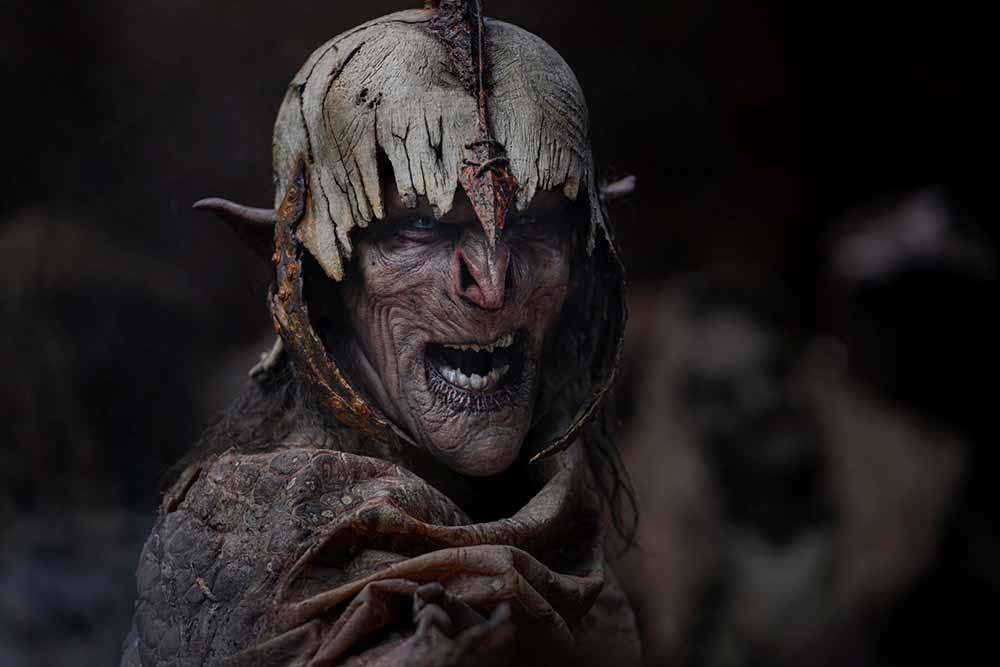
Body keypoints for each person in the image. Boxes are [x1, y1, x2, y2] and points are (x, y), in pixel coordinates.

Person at [122, 1, 639, 664]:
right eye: (420, 226)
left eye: (534, 222)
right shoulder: (240, 542)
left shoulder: (565, 513)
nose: (491, 283)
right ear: (319, 277)